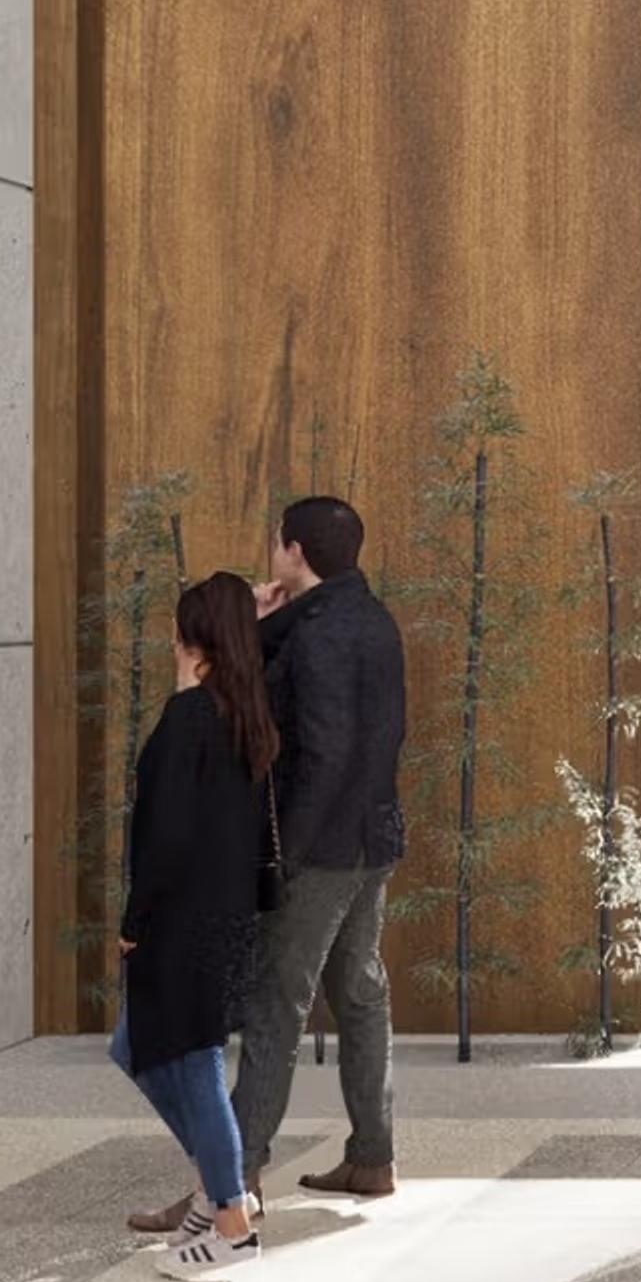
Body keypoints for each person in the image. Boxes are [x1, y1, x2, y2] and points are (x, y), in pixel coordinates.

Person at [229, 496, 409, 1204]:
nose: (273, 556)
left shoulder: (320, 634)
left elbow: (324, 754)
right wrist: (267, 624)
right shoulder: (371, 621)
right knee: (360, 993)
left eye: (278, 545)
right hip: (373, 839)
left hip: (323, 849)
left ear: (295, 552)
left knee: (277, 1001)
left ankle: (233, 1180)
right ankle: (373, 1158)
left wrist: (289, 856)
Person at [117, 574, 279, 1280]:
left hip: (182, 919)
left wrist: (134, 919)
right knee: (136, 1048)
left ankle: (232, 1222)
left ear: (191, 641)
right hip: (227, 916)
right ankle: (225, 1187)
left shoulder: (190, 719)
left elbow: (166, 838)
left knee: (194, 1061)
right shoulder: (244, 713)